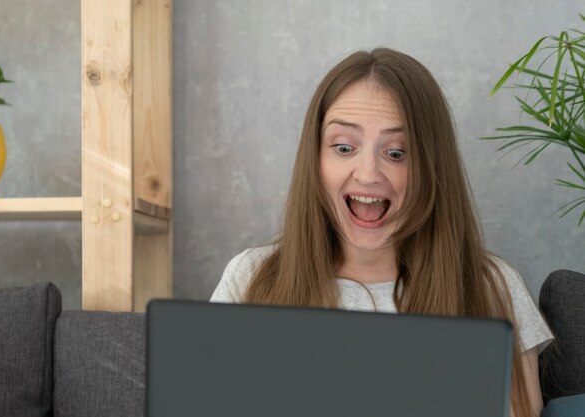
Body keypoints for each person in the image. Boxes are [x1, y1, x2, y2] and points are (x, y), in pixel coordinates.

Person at [210, 48, 553, 417]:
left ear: (431, 167)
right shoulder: (251, 278)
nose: (368, 172)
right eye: (343, 147)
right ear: (316, 158)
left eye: (396, 153)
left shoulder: (491, 286)